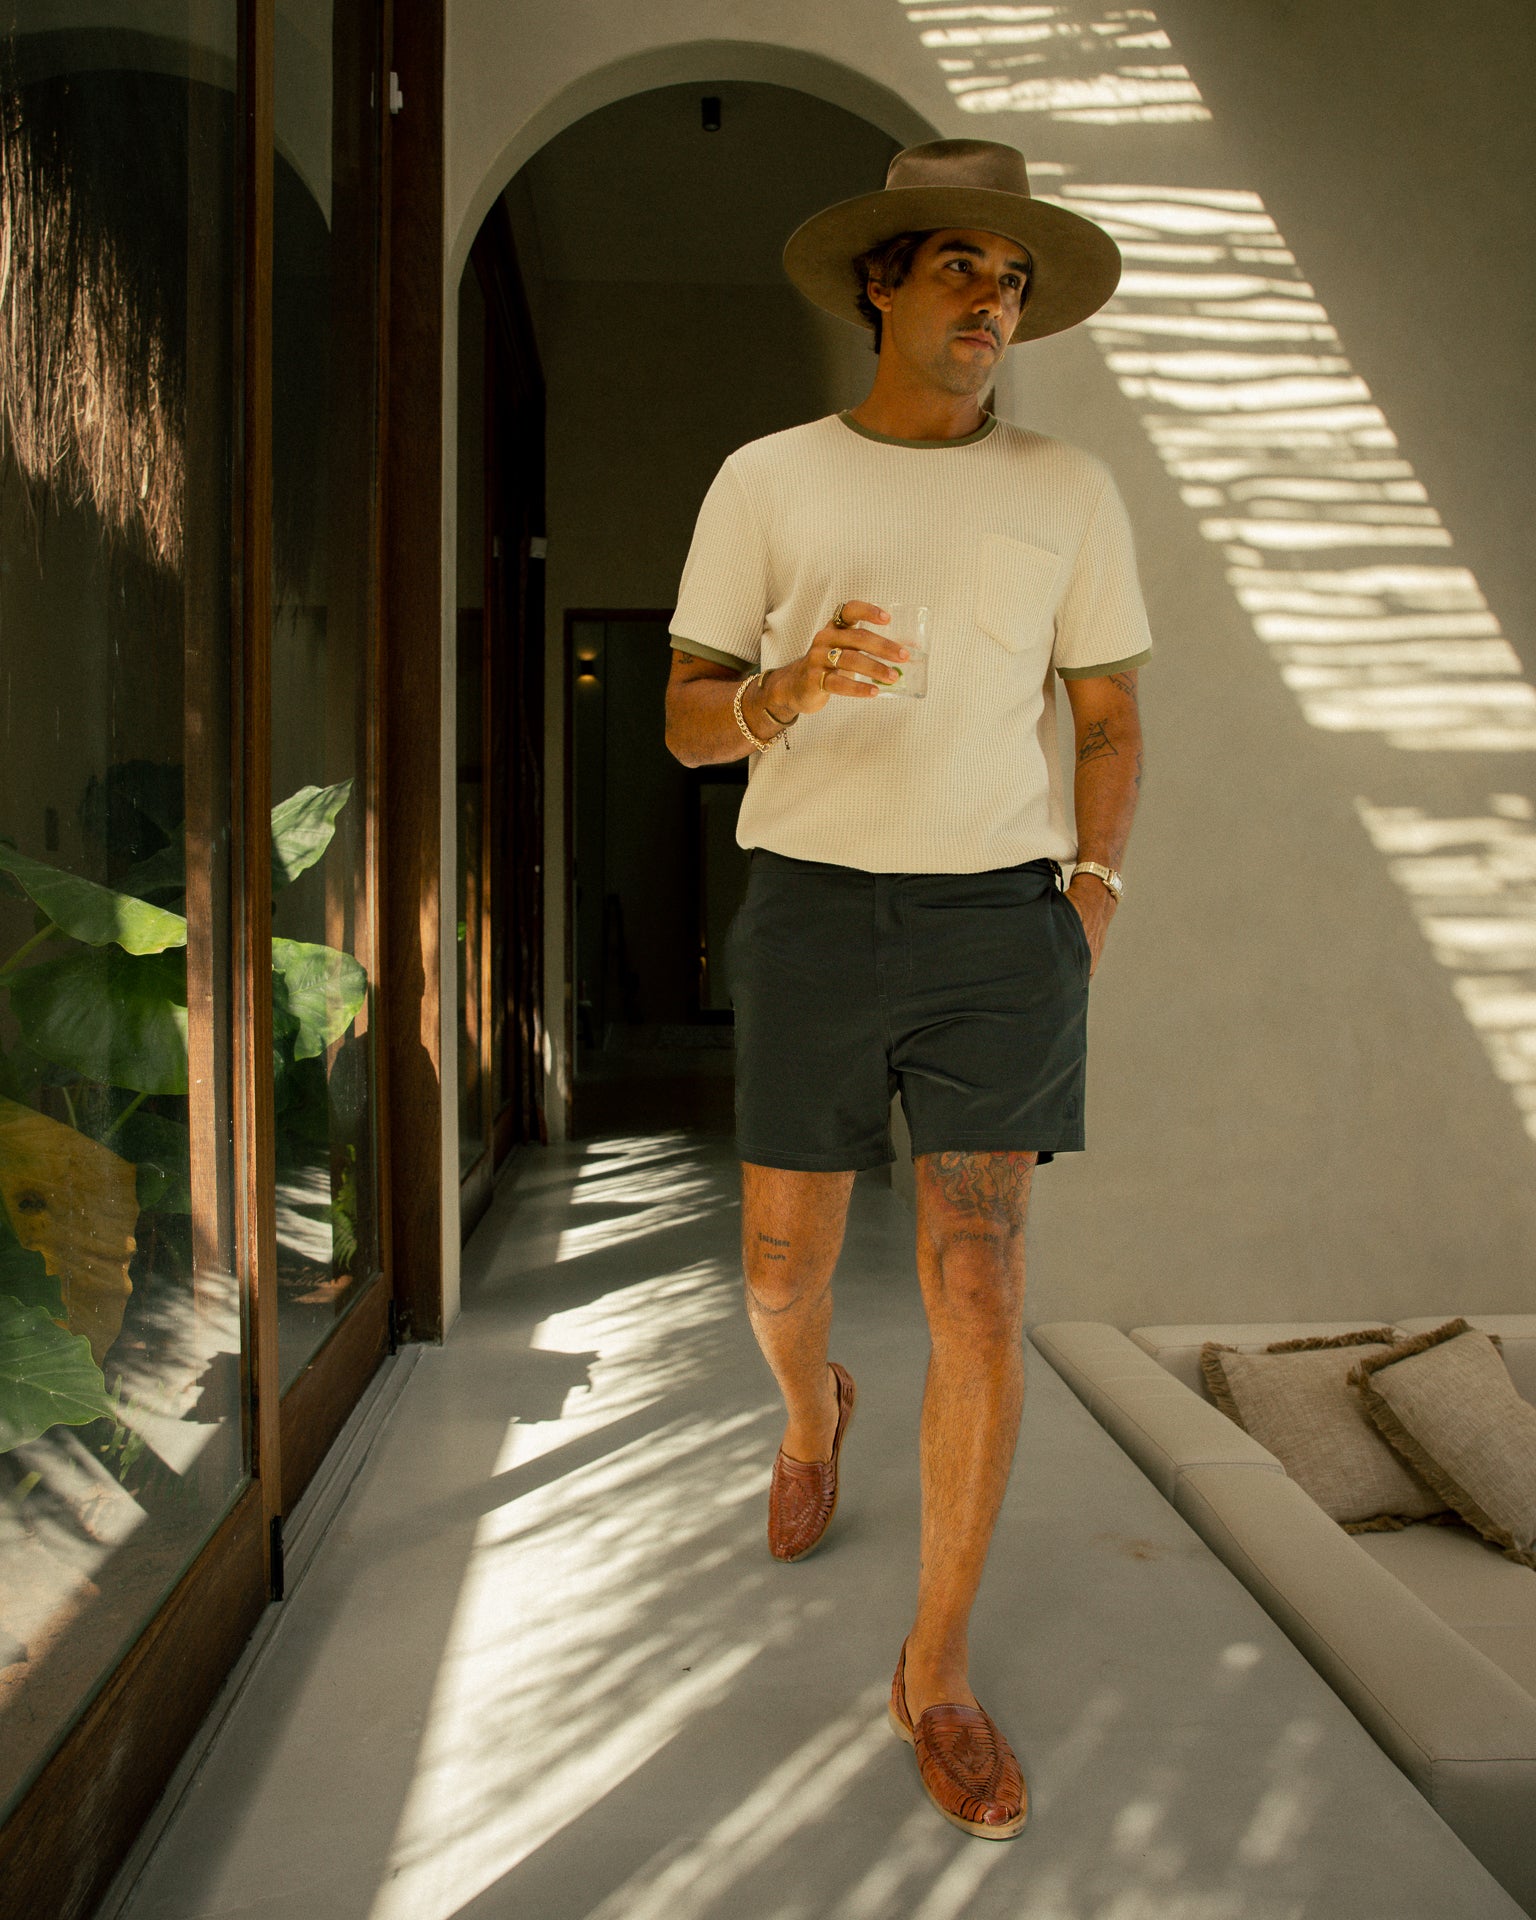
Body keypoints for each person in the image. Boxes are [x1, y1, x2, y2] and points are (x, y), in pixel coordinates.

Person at [663, 138, 1149, 1840]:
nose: (991, 303)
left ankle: (933, 1668)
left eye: (1013, 282)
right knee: (782, 1273)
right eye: (962, 268)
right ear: (882, 282)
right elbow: (684, 716)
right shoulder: (769, 477)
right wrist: (786, 689)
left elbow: (1103, 717)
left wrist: (1091, 888)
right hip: (807, 912)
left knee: (982, 1282)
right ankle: (814, 1410)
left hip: (997, 933)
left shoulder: (1070, 487)